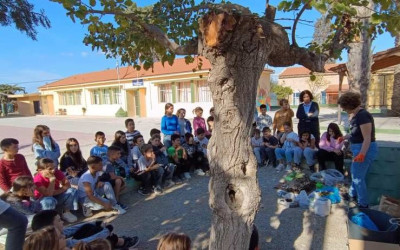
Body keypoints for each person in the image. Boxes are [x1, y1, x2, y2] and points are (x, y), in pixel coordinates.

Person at [338, 91, 378, 208]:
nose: (345, 110)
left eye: (345, 108)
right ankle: (351, 194)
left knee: (358, 178)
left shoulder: (362, 115)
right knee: (356, 175)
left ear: (349, 105)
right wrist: (344, 137)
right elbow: (356, 134)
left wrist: (362, 154)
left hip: (364, 149)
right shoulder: (356, 116)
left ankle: (363, 204)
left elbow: (367, 138)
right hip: (359, 148)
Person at [31, 210, 139, 249]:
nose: (62, 222)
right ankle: (118, 242)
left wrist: (95, 222)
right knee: (100, 239)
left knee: (89, 227)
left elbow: (72, 229)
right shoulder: (62, 244)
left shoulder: (55, 238)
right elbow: (84, 242)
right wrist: (106, 231)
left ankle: (116, 241)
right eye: (59, 221)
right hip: (86, 245)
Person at [34, 158, 78, 223]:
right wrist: (52, 181)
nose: (53, 170)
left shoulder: (56, 172)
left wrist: (56, 192)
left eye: (54, 167)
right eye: (50, 169)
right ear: (40, 170)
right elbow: (47, 195)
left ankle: (66, 212)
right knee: (49, 200)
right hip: (44, 202)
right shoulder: (37, 180)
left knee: (72, 191)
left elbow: (67, 184)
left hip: (56, 195)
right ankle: (50, 219)